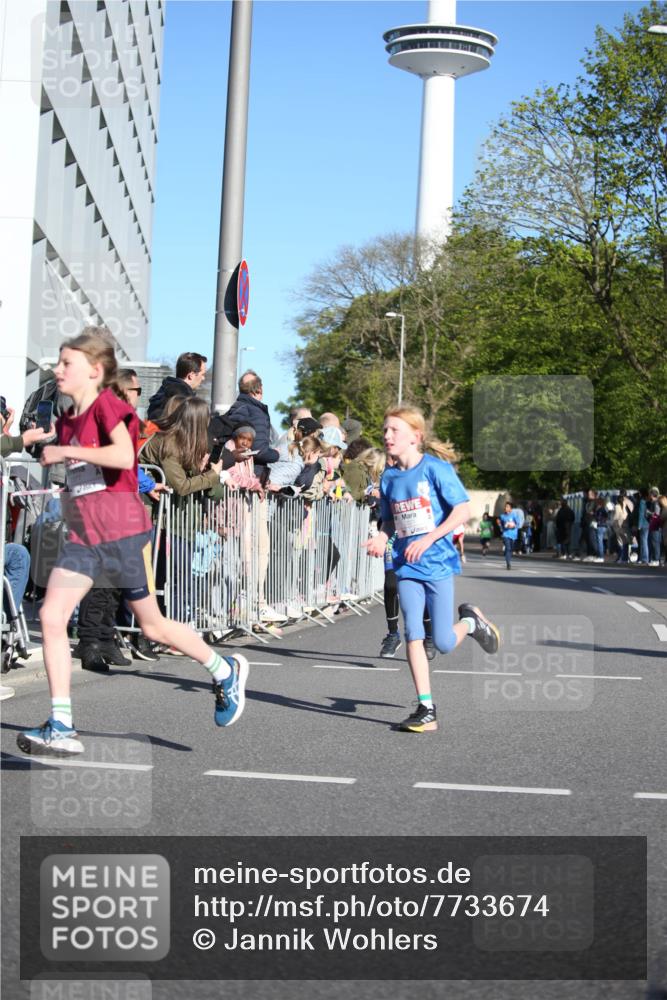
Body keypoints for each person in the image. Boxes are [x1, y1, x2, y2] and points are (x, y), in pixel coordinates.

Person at [16, 328, 248, 759]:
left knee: (152, 625)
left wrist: (72, 454)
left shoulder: (110, 407)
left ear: (95, 371)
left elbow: (124, 457)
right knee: (51, 616)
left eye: (68, 363)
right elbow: (80, 481)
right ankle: (61, 723)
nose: (58, 369)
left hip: (121, 528)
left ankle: (223, 669)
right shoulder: (69, 419)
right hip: (86, 533)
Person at [365, 405, 499, 733]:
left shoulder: (436, 470)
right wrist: (382, 538)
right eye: (385, 430)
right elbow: (389, 519)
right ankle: (426, 708)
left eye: (394, 430)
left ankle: (471, 622)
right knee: (414, 632)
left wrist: (429, 539)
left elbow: (463, 511)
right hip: (407, 565)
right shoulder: (390, 477)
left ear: (416, 437)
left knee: (442, 642)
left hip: (437, 563)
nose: (386, 436)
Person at [146, 352, 207, 421]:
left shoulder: (164, 391)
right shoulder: (183, 400)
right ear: (191, 375)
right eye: (202, 374)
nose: (203, 378)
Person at [498, 502, 517, 569]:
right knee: (508, 548)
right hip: (505, 534)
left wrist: (513, 525)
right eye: (505, 507)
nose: (506, 508)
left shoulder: (514, 515)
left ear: (510, 509)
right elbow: (499, 521)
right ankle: (508, 563)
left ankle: (506, 553)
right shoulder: (502, 516)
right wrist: (501, 526)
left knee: (510, 549)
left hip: (513, 535)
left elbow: (518, 523)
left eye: (507, 507)